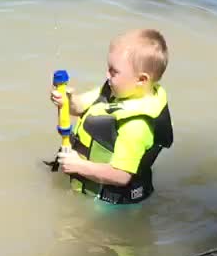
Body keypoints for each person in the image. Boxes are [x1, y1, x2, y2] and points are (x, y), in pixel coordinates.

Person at [50, 28, 174, 205]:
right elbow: (78, 107)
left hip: (111, 203)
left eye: (113, 71)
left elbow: (121, 175)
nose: (107, 75)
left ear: (141, 79)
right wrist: (66, 100)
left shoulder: (136, 125)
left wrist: (78, 166)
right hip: (85, 181)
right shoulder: (118, 90)